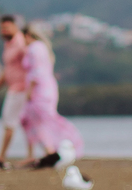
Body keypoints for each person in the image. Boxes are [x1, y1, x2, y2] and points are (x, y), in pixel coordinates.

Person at [19, 23, 84, 160]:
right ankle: (49, 151)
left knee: (42, 120)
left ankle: (70, 144)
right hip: (48, 88)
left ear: (27, 35)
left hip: (39, 90)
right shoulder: (43, 47)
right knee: (36, 120)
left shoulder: (34, 48)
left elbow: (36, 72)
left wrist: (30, 90)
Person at [0, 14, 29, 161]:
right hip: (14, 88)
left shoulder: (22, 44)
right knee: (25, 122)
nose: (3, 31)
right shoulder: (8, 45)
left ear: (16, 27)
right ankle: (33, 155)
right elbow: (8, 70)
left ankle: (2, 157)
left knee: (10, 121)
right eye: (1, 28)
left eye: (6, 28)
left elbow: (32, 64)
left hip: (22, 89)